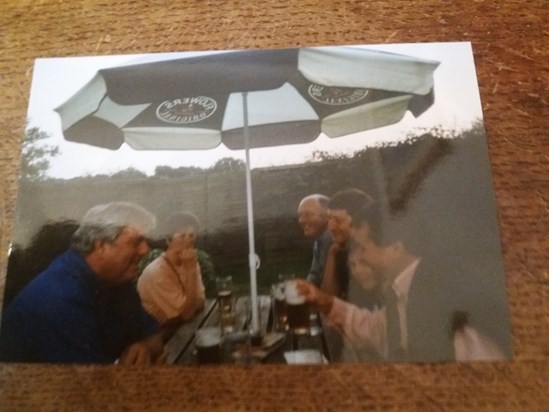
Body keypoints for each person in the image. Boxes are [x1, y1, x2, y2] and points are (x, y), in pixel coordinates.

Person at [296, 200, 510, 362]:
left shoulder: (439, 293)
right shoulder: (403, 291)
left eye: (364, 248)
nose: (358, 257)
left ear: (396, 249)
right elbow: (379, 330)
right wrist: (325, 301)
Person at [0, 202, 165, 365]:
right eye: (135, 242)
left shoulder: (117, 281)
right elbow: (92, 387)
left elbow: (154, 335)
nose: (145, 250)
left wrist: (144, 348)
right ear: (101, 245)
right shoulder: (60, 300)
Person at [137, 212, 206, 341]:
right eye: (182, 236)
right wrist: (191, 271)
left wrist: (190, 306)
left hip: (179, 329)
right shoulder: (156, 272)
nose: (189, 240)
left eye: (191, 235)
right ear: (168, 240)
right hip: (154, 339)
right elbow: (188, 314)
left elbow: (201, 300)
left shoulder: (190, 261)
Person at [322, 188, 372, 300]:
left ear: (360, 222)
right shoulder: (336, 248)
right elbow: (328, 301)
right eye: (329, 219)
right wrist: (332, 255)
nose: (330, 226)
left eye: (338, 221)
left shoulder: (377, 249)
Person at [297, 194, 331, 288]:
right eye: (300, 215)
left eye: (308, 215)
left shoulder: (332, 239)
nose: (302, 220)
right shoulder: (319, 240)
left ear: (328, 215)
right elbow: (314, 276)